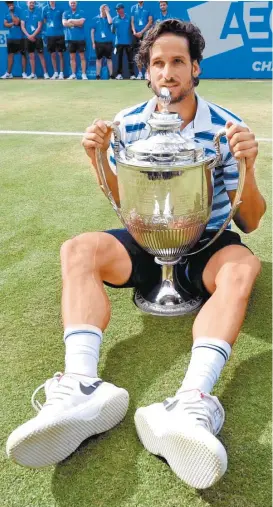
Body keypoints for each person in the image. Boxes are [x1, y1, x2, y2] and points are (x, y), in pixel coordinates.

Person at [6, 19, 266, 490]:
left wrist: (248, 165)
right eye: (158, 63)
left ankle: (191, 403)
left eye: (178, 62)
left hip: (205, 246)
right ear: (146, 71)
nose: (168, 72)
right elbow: (121, 202)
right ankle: (81, 387)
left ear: (195, 69)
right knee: (78, 249)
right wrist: (96, 158)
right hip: (145, 243)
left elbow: (249, 221)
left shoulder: (228, 127)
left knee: (243, 266)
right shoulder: (125, 124)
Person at [20, 1, 49, 79]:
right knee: (31, 56)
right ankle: (33, 74)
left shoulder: (39, 12)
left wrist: (32, 35)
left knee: (41, 55)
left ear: (34, 4)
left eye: (33, 3)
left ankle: (45, 73)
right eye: (30, 3)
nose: (31, 4)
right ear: (27, 4)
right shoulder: (24, 13)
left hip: (38, 37)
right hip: (28, 38)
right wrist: (28, 36)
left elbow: (39, 26)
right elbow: (22, 26)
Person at [1, 1, 27, 79]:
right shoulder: (7, 12)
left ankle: (24, 73)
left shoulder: (19, 10)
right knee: (10, 55)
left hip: (20, 37)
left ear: (13, 3)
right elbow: (5, 24)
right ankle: (8, 73)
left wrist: (12, 14)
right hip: (11, 37)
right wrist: (11, 23)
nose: (10, 5)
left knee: (23, 55)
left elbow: (17, 22)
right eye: (8, 4)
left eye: (11, 3)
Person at [62, 0, 87, 80]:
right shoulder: (66, 13)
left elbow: (82, 23)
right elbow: (64, 23)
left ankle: (83, 74)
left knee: (82, 57)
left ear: (76, 4)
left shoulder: (81, 12)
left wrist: (70, 20)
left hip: (80, 39)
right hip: (70, 39)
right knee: (72, 58)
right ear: (69, 4)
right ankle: (73, 74)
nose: (73, 4)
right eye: (71, 3)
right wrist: (76, 23)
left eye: (74, 3)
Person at [91, 4, 114, 80]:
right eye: (103, 9)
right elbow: (92, 32)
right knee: (98, 59)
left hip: (108, 42)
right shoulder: (95, 19)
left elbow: (110, 22)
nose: (104, 10)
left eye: (105, 9)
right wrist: (93, 42)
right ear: (100, 9)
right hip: (98, 42)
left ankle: (111, 75)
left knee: (109, 59)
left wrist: (107, 12)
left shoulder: (108, 18)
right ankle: (98, 75)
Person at [43, 1, 65, 80]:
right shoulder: (45, 9)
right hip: (50, 35)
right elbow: (44, 20)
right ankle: (55, 73)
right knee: (52, 55)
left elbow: (63, 20)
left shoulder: (60, 9)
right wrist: (49, 27)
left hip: (60, 34)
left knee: (60, 54)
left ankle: (61, 73)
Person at [112, 3, 135, 80]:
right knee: (119, 59)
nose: (117, 11)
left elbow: (132, 28)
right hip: (118, 42)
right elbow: (112, 30)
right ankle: (119, 74)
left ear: (122, 9)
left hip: (128, 42)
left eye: (119, 9)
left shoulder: (129, 18)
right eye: (117, 10)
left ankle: (132, 75)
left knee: (130, 59)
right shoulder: (114, 19)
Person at [131, 1, 153, 79]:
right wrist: (134, 32)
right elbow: (132, 21)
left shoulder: (148, 7)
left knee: (147, 52)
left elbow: (150, 21)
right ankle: (140, 73)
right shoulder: (133, 8)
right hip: (136, 34)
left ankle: (147, 72)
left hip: (145, 34)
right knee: (138, 53)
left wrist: (142, 32)